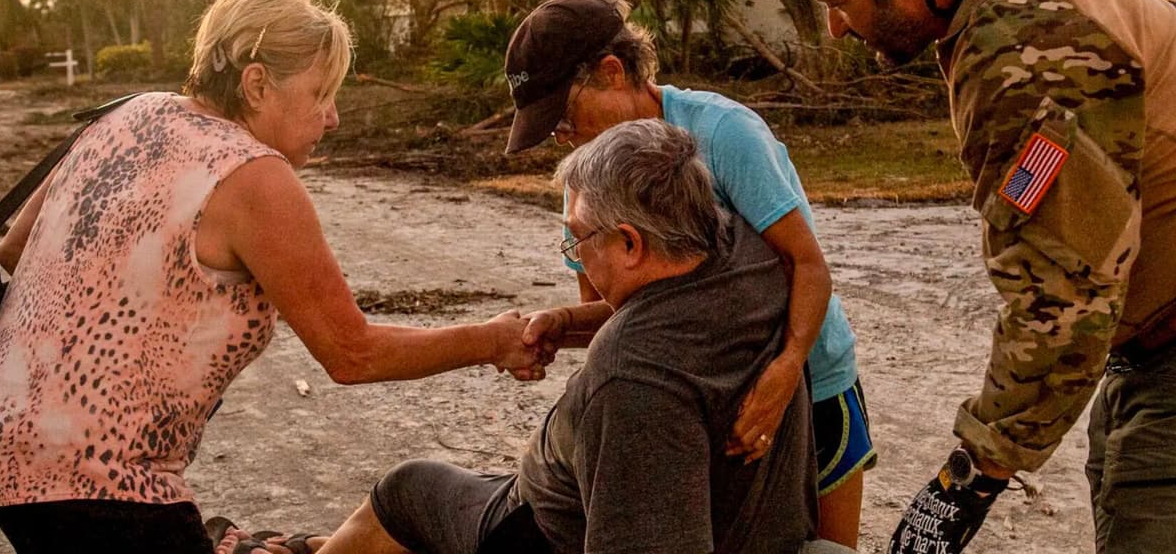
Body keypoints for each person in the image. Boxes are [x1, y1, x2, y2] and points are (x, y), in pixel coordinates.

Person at [0, 0, 538, 554]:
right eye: (320, 93)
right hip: (100, 480)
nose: (333, 117)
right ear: (257, 84)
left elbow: (12, 253)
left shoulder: (127, 113)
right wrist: (491, 340)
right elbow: (352, 353)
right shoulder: (253, 174)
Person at [788, 0, 1176, 554]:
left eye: (839, 5)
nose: (837, 29)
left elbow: (1063, 299)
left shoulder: (1025, 50)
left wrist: (964, 481)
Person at [285, 118, 818, 554]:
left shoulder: (633, 377)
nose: (576, 255)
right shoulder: (748, 256)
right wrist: (569, 320)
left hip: (540, 532)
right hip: (722, 515)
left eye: (577, 240)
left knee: (406, 489)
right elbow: (677, 315)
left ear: (630, 243)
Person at [500, 0, 872, 552]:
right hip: (711, 400)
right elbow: (625, 317)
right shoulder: (586, 185)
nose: (564, 137)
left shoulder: (723, 134)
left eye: (565, 117)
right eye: (551, 131)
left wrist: (786, 369)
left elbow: (807, 264)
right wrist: (564, 323)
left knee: (820, 544)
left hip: (810, 380)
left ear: (611, 71)